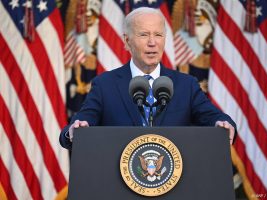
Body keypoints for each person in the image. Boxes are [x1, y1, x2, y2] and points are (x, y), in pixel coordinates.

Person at [59, 7, 236, 150]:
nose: (153, 42)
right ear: (127, 42)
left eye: (158, 35)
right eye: (144, 35)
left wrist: (223, 123)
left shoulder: (185, 85)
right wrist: (75, 130)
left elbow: (214, 118)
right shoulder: (105, 84)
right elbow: (81, 123)